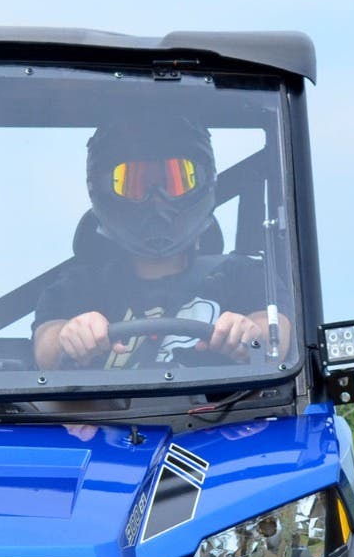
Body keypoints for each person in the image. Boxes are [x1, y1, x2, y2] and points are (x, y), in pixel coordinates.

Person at [33, 116, 291, 370]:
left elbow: (275, 337)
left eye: (176, 181)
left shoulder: (242, 276)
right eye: (134, 184)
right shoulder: (78, 287)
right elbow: (46, 346)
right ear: (101, 189)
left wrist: (251, 333)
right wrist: (69, 336)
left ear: (203, 182)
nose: (157, 200)